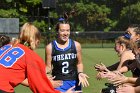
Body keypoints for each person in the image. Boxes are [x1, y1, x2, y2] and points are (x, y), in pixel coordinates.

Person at [0, 22, 80, 93]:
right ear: (37, 41)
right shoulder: (31, 56)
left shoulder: (7, 47)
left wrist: (43, 78)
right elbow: (42, 89)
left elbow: (11, 73)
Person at [45, 17, 89, 92]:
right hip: (59, 84)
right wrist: (41, 75)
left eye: (68, 30)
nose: (65, 33)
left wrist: (80, 73)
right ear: (57, 31)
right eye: (62, 31)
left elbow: (79, 63)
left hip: (75, 83)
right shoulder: (50, 47)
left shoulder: (76, 45)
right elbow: (48, 66)